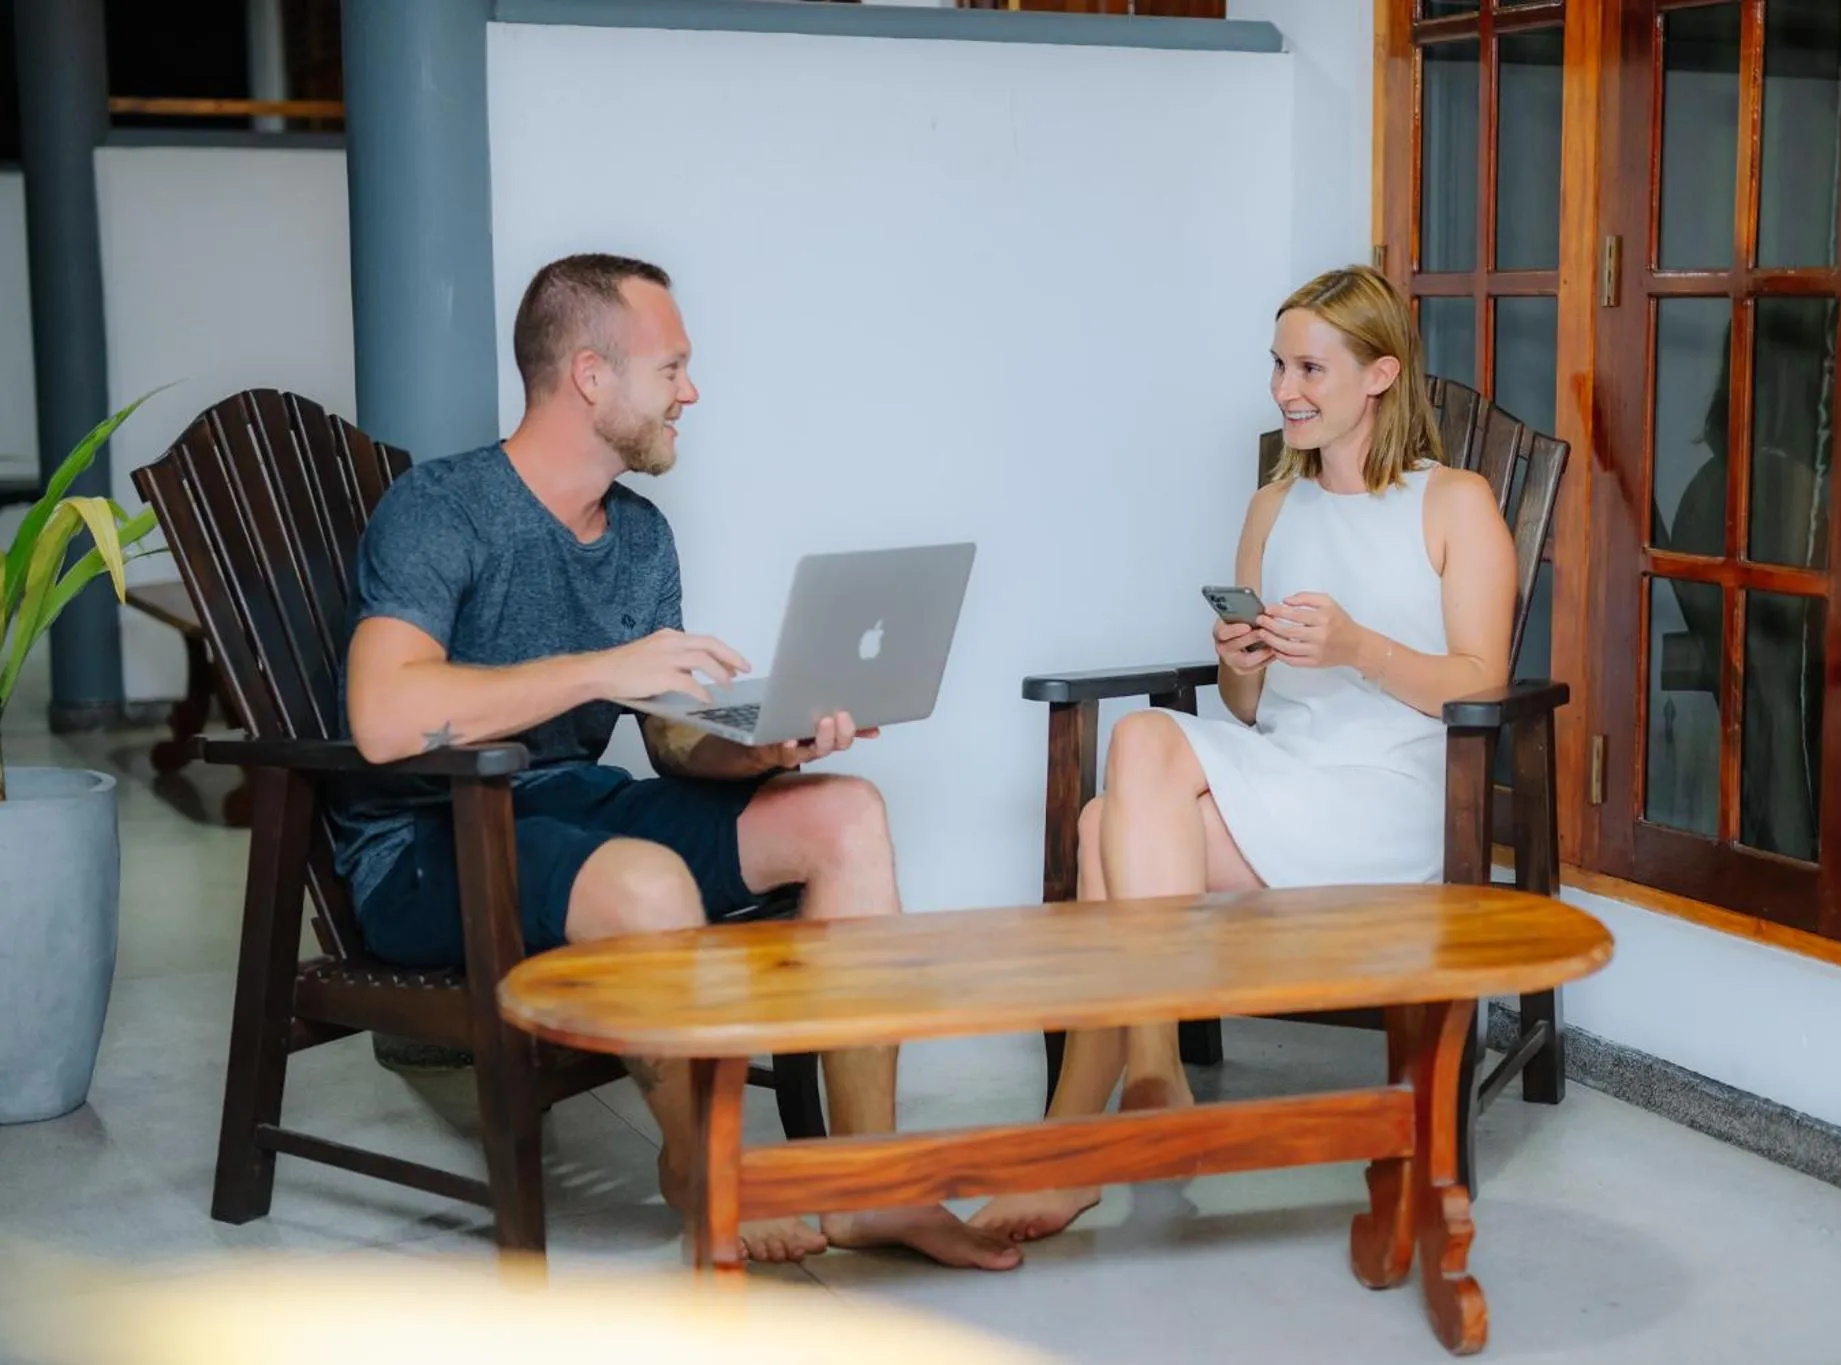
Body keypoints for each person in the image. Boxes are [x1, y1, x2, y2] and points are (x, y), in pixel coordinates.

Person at [329, 252, 1020, 1273]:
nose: (691, 392)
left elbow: (665, 738)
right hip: (431, 842)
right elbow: (386, 718)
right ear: (591, 376)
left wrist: (761, 746)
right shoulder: (443, 508)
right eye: (673, 368)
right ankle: (702, 1168)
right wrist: (599, 668)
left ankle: (872, 1186)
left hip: (572, 807)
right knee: (648, 882)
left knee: (845, 811)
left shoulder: (639, 535)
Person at [968, 264, 1517, 1243]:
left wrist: (1359, 648)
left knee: (1109, 818)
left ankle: (1098, 1119)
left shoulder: (1454, 503)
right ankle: (1141, 1087)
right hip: (1289, 771)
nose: (1282, 389)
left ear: (1380, 374)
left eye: (1309, 367)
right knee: (1126, 786)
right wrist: (1244, 663)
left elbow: (1480, 683)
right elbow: (1246, 708)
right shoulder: (1274, 507)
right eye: (1276, 364)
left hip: (1393, 791)